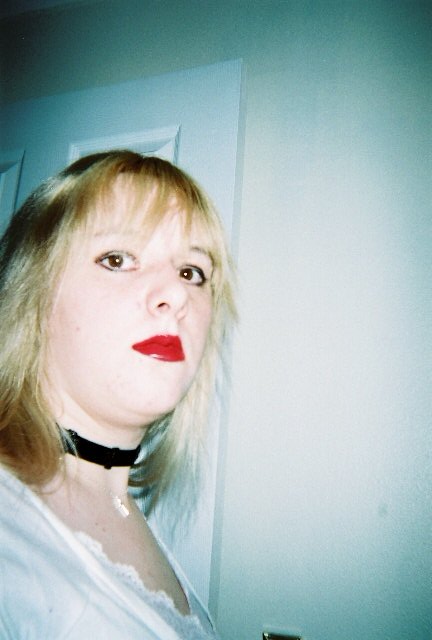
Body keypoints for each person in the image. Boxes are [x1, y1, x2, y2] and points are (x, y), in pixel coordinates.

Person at [0, 150, 236, 639]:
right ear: (34, 295)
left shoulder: (123, 511)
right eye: (118, 259)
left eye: (192, 272)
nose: (177, 295)